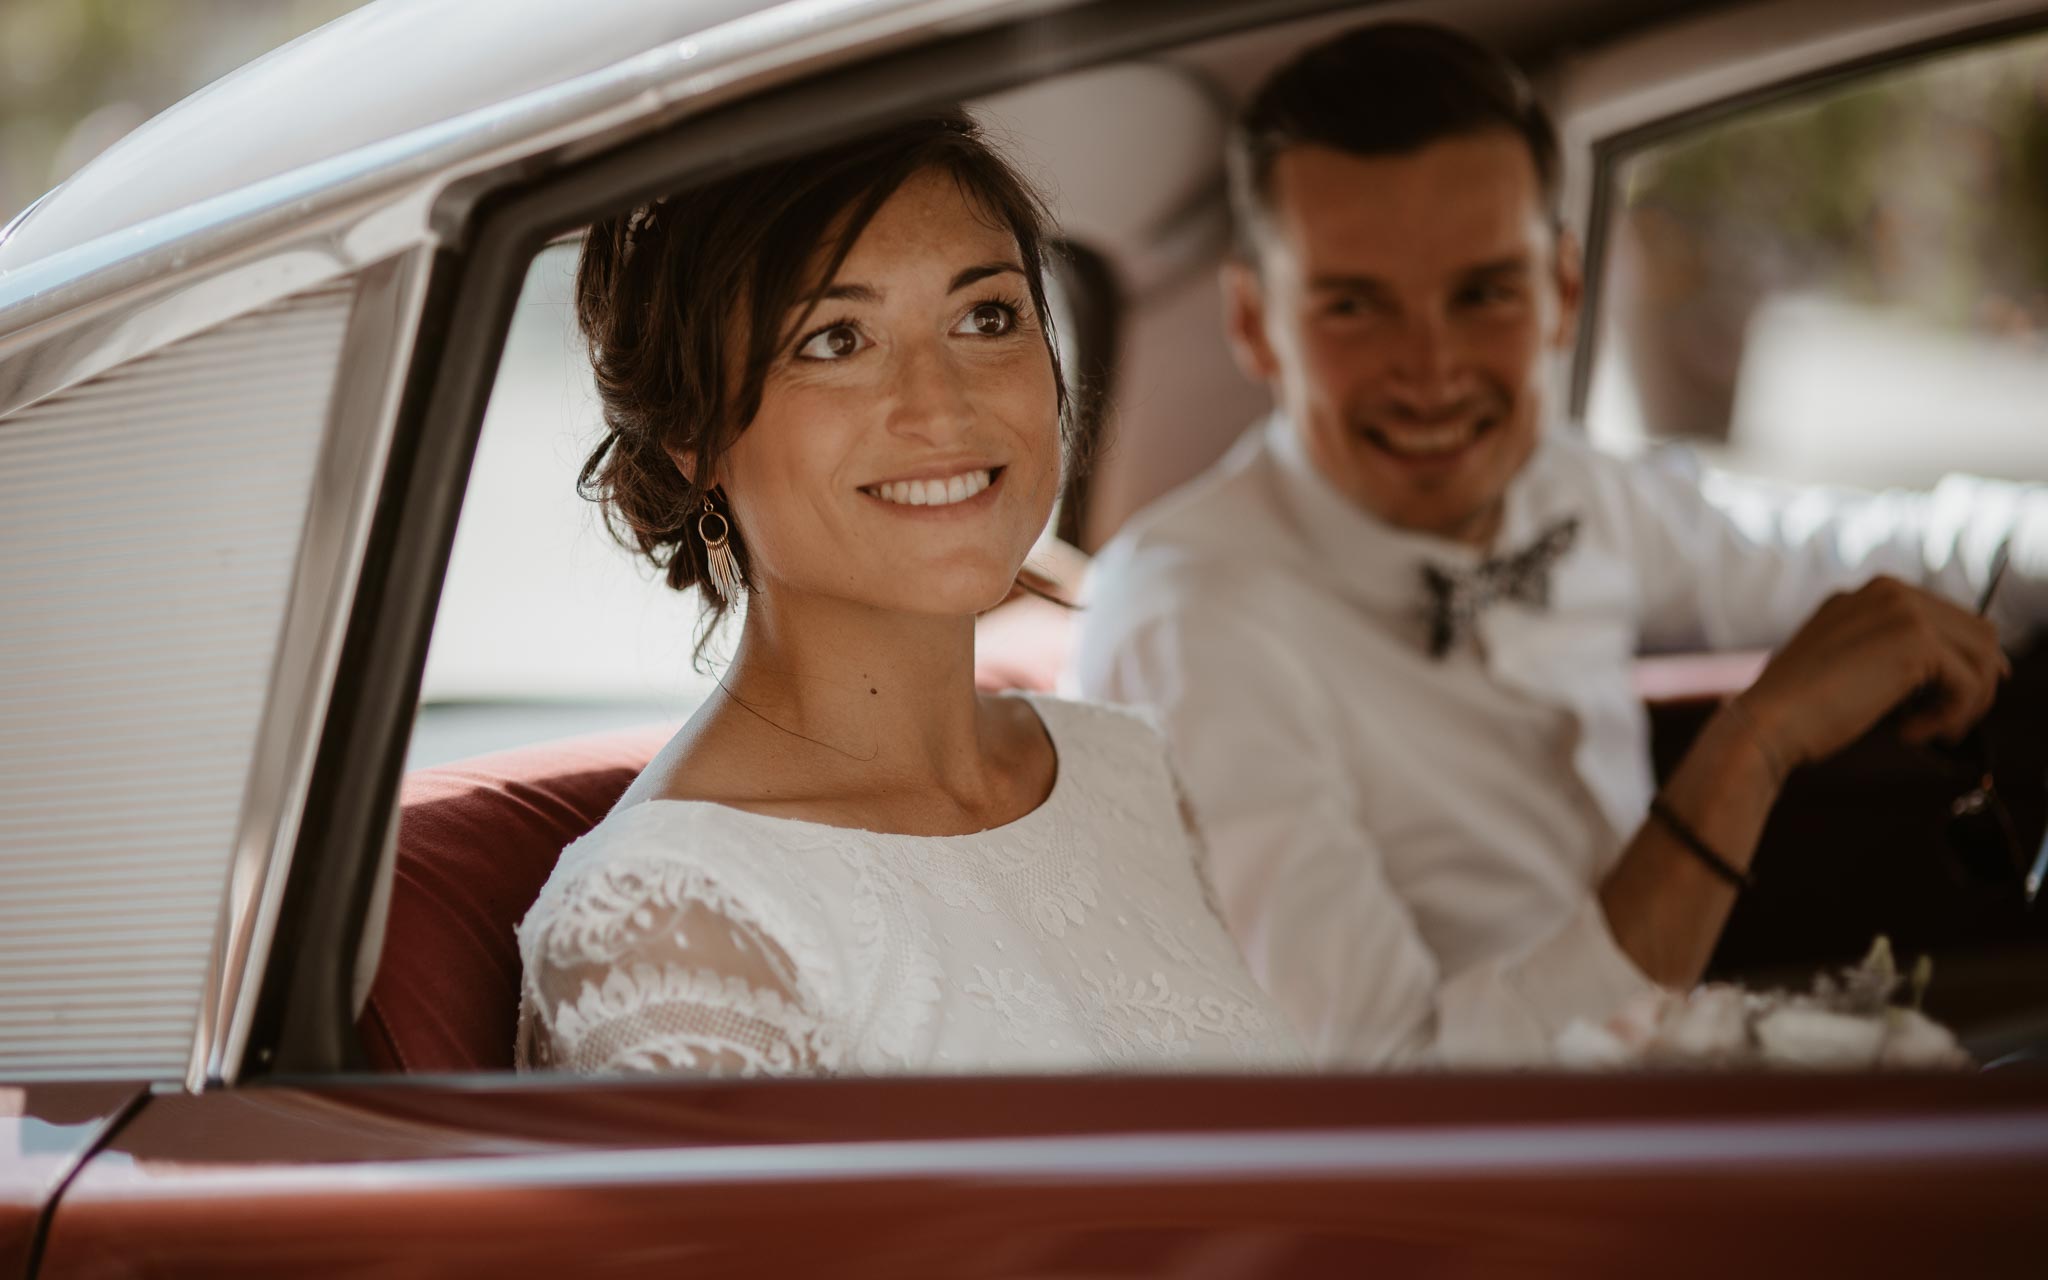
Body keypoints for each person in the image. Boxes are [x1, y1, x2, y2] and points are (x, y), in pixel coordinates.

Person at [1072, 23, 2044, 1067]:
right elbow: (1389, 1099)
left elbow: (1881, 550)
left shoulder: (1568, 487)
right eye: (1353, 306)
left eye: (1482, 292)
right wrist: (1749, 746)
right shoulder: (1192, 621)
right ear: (1255, 322)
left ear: (1561, 293)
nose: (1431, 368)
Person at [515, 112, 1300, 1076]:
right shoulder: (667, 924)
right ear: (694, 433)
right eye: (837, 339)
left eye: (988, 318)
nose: (942, 406)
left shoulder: (1125, 770)